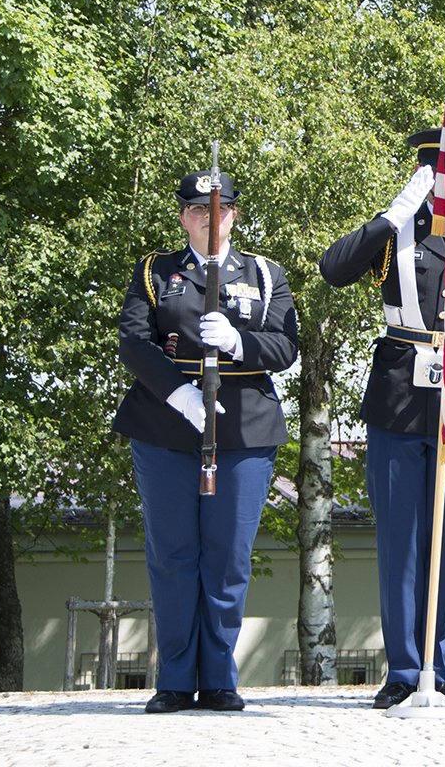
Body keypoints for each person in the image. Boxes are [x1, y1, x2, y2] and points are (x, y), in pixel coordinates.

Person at [318, 129, 445, 711]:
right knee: (402, 541)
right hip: (400, 396)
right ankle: (403, 668)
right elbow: (334, 267)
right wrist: (393, 211)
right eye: (436, 172)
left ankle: (441, 665)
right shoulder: (397, 231)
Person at [114, 168, 299, 714]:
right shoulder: (156, 270)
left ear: (234, 215)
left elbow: (286, 346)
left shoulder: (264, 275)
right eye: (196, 210)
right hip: (167, 426)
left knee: (226, 557)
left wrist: (240, 342)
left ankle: (218, 677)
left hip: (243, 428)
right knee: (173, 555)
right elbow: (134, 341)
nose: (207, 219)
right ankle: (174, 679)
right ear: (182, 216)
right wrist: (180, 395)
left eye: (218, 210)